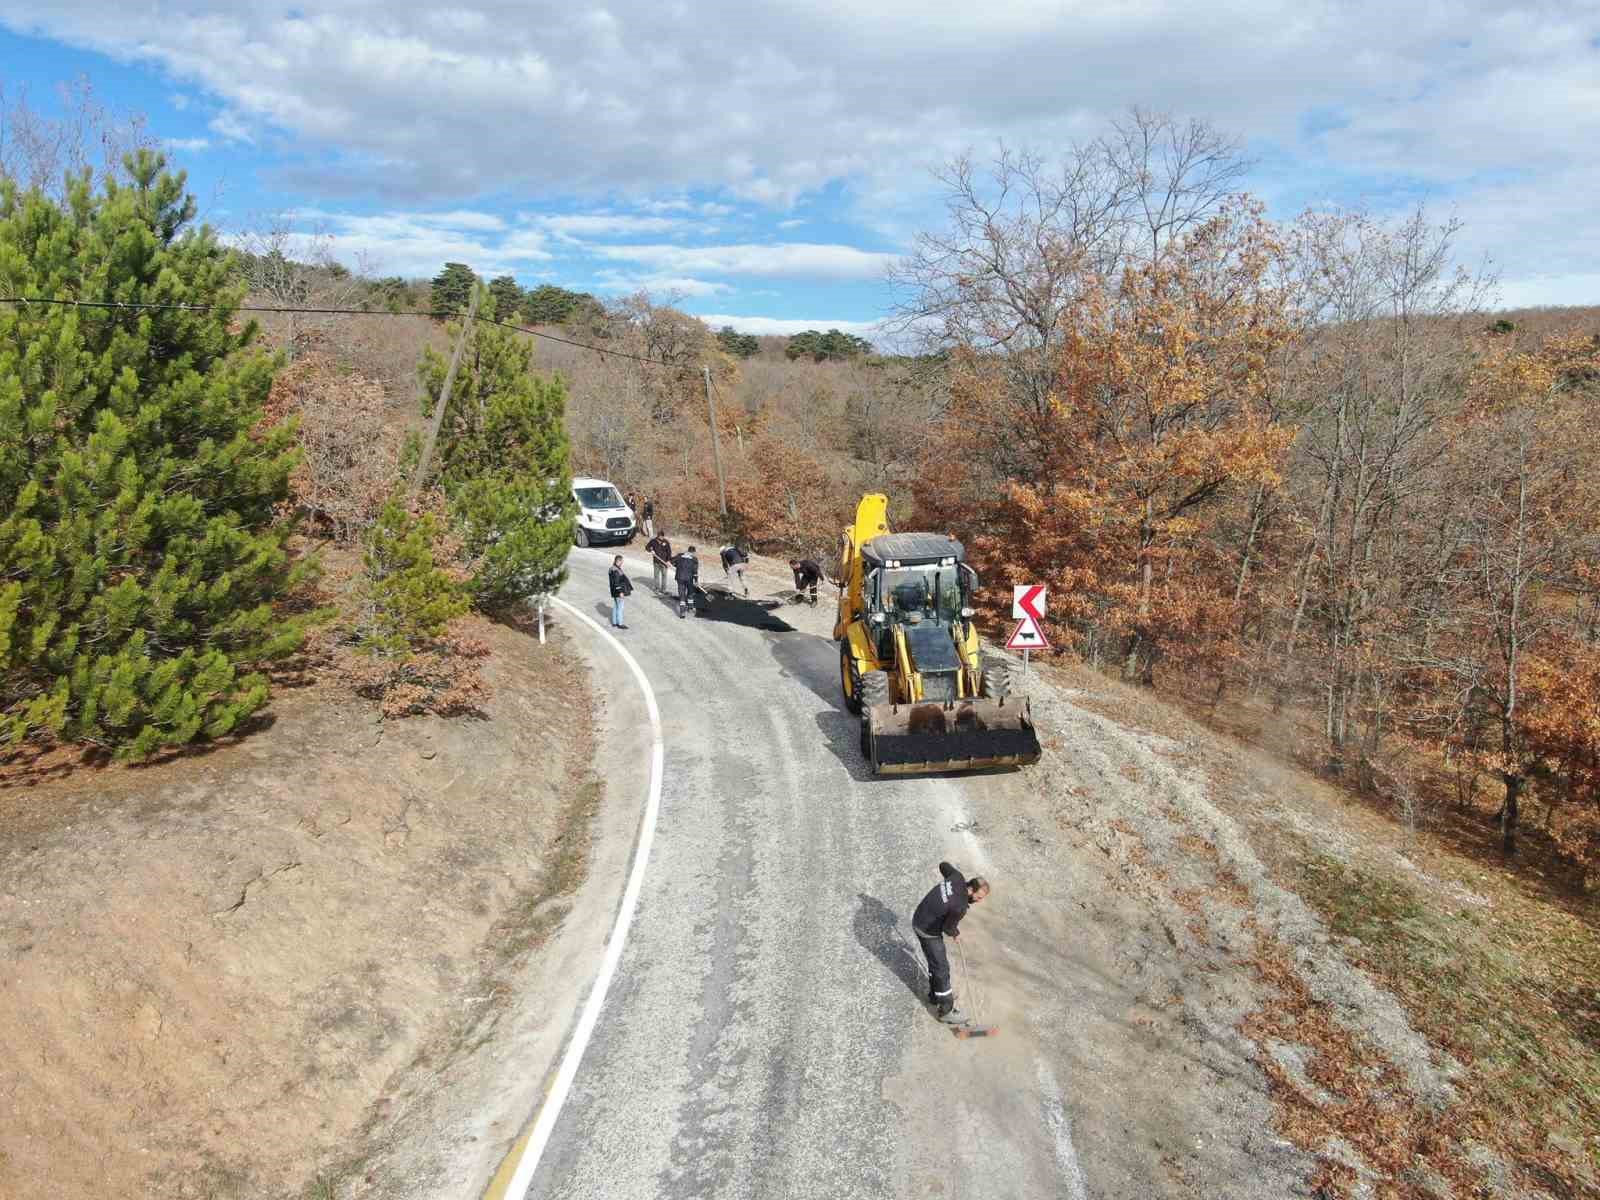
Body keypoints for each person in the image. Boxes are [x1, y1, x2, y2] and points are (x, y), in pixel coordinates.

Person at [911, 861, 990, 1024]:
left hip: (919, 916)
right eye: (978, 897)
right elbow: (948, 928)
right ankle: (946, 1011)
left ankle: (935, 996)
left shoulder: (956, 877)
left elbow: (943, 865)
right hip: (927, 931)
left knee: (935, 964)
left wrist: (947, 889)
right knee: (942, 969)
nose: (978, 901)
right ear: (971, 890)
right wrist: (956, 934)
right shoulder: (960, 906)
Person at [672, 545, 700, 619]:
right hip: (689, 579)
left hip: (679, 578)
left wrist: (678, 566)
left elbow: (672, 561)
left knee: (682, 594)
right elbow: (695, 572)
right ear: (693, 552)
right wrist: (696, 581)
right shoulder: (694, 559)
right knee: (690, 592)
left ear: (688, 550)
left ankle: (682, 612)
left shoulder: (679, 555)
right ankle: (690, 607)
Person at [608, 554, 633, 629]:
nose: (622, 563)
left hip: (614, 591)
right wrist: (620, 592)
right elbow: (616, 583)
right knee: (620, 607)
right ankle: (620, 623)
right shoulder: (616, 570)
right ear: (618, 561)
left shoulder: (612, 568)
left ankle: (614, 622)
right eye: (622, 561)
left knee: (616, 606)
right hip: (618, 592)